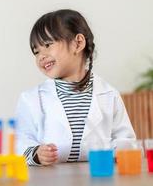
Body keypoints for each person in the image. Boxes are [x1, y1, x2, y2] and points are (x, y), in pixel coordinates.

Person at [15, 9, 136, 166]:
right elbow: (20, 142)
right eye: (36, 52)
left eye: (47, 45)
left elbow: (125, 139)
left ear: (78, 43)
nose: (41, 56)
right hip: (50, 178)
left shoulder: (108, 94)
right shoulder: (31, 99)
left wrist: (115, 152)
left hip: (98, 175)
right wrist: (37, 154)